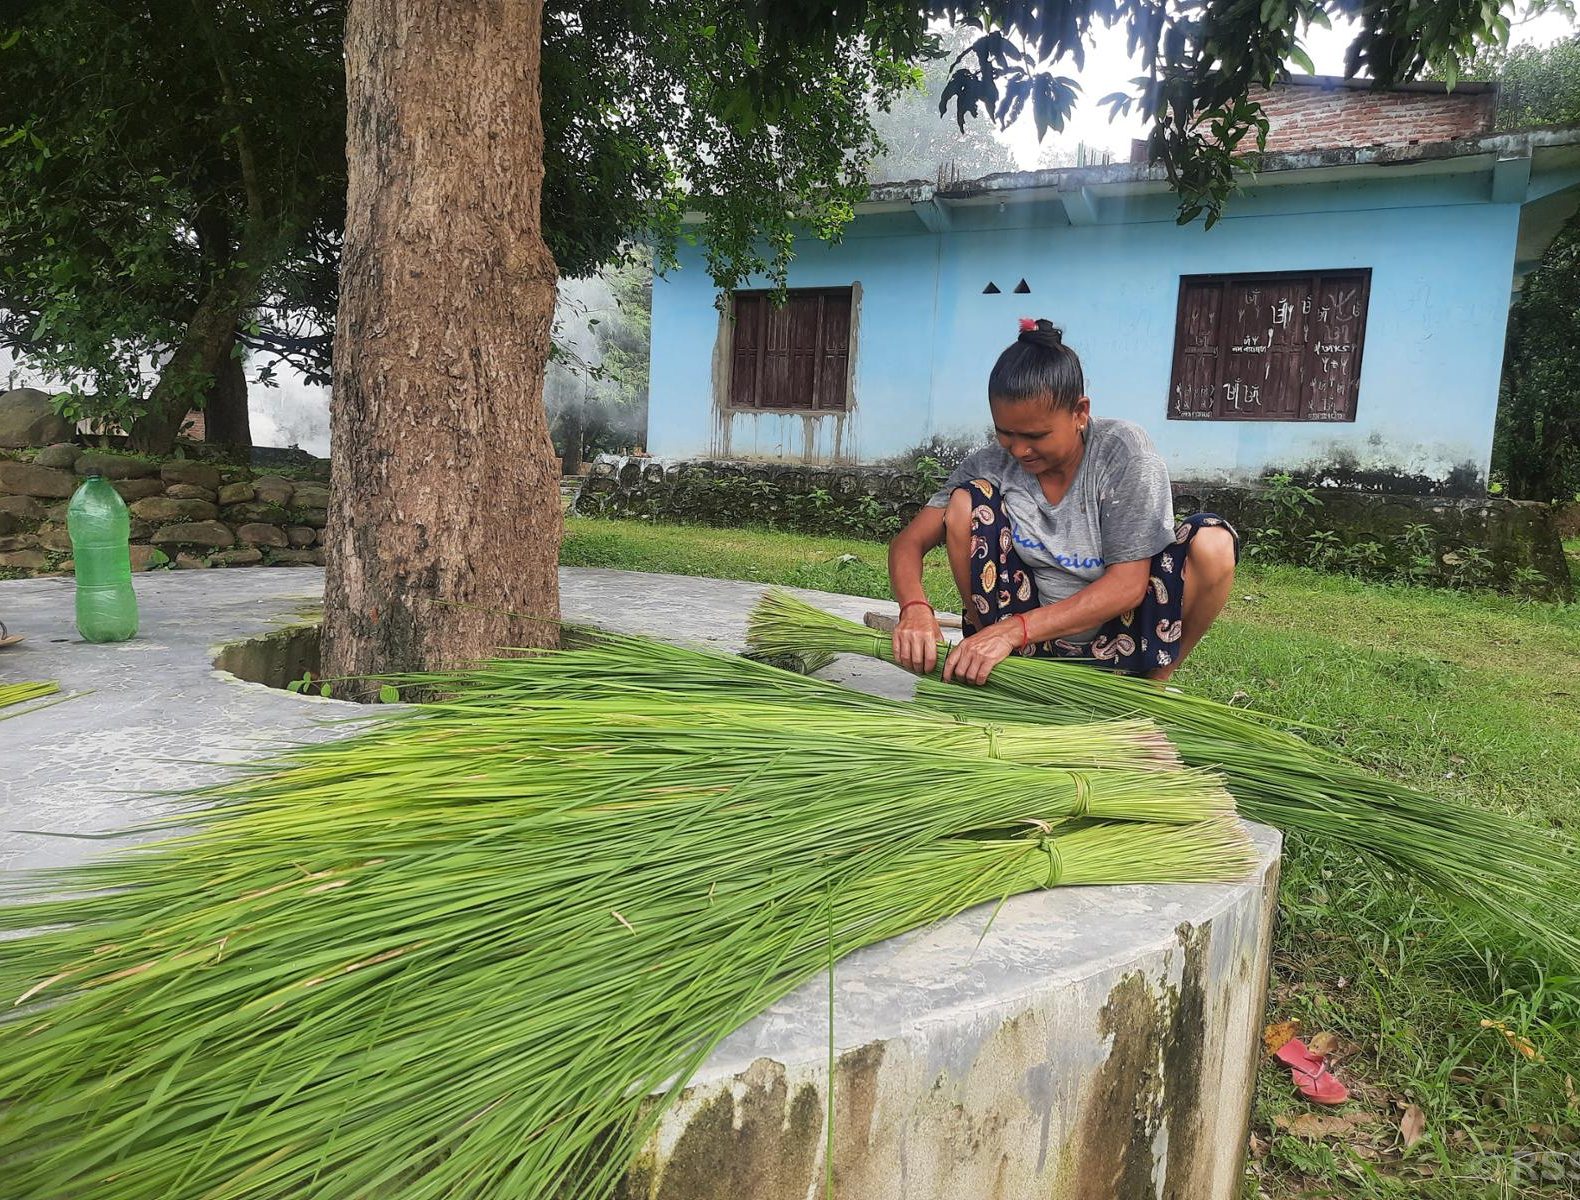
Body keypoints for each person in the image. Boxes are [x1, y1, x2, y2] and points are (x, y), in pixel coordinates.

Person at [887, 318, 1238, 685]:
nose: (1019, 450)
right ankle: (995, 666)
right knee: (963, 504)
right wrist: (914, 609)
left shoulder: (1123, 454)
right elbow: (908, 542)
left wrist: (1014, 630)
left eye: (1036, 435)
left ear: (1080, 412)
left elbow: (1128, 585)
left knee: (1213, 544)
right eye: (1005, 433)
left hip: (1122, 635)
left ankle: (1154, 682)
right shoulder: (992, 463)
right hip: (1023, 638)